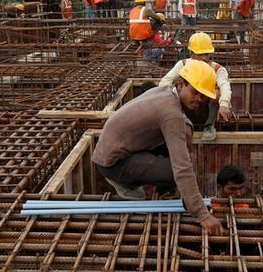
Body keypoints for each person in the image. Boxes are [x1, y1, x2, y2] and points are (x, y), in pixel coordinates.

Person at [91, 59, 224, 235]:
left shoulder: (164, 92)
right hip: (113, 163)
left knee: (181, 138)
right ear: (181, 84)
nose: (199, 99)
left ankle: (164, 189)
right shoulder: (171, 114)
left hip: (114, 149)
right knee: (174, 171)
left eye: (203, 96)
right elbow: (182, 168)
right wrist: (202, 214)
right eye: (195, 92)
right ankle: (126, 186)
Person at [159, 32, 231, 141]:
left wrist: (224, 104)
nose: (204, 58)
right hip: (185, 109)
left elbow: (225, 85)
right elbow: (165, 82)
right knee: (175, 90)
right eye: (200, 54)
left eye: (206, 54)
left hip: (205, 109)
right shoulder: (183, 65)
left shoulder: (217, 69)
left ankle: (208, 126)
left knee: (216, 93)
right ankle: (180, 123)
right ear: (191, 53)